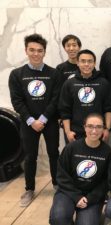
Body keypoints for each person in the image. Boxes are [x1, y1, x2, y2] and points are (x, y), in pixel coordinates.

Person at [8, 33, 60, 207]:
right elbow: (17, 101)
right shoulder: (17, 74)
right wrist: (31, 120)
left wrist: (44, 118)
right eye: (32, 50)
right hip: (28, 122)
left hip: (49, 120)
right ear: (26, 51)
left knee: (54, 154)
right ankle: (29, 189)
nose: (36, 53)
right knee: (30, 156)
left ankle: (57, 185)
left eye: (39, 50)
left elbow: (55, 98)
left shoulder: (54, 73)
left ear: (44, 52)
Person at [49, 113, 111, 225]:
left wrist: (91, 198)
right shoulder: (71, 148)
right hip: (68, 192)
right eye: (90, 126)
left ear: (103, 129)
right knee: (58, 218)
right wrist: (77, 196)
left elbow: (107, 181)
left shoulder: (108, 152)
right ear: (84, 127)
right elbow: (62, 176)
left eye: (98, 127)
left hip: (92, 196)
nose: (94, 131)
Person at [59, 49, 111, 143]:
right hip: (75, 133)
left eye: (90, 61)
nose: (86, 64)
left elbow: (108, 108)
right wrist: (68, 132)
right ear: (77, 63)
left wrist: (107, 129)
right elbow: (64, 111)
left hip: (98, 132)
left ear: (94, 63)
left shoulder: (103, 83)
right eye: (83, 61)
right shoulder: (69, 83)